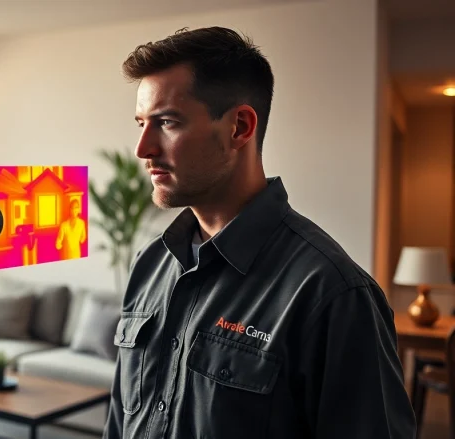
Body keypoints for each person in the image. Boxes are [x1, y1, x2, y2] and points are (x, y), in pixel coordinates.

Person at [102, 27, 416, 439]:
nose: (143, 148)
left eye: (167, 122)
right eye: (142, 123)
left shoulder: (333, 294)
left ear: (239, 127)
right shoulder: (151, 264)